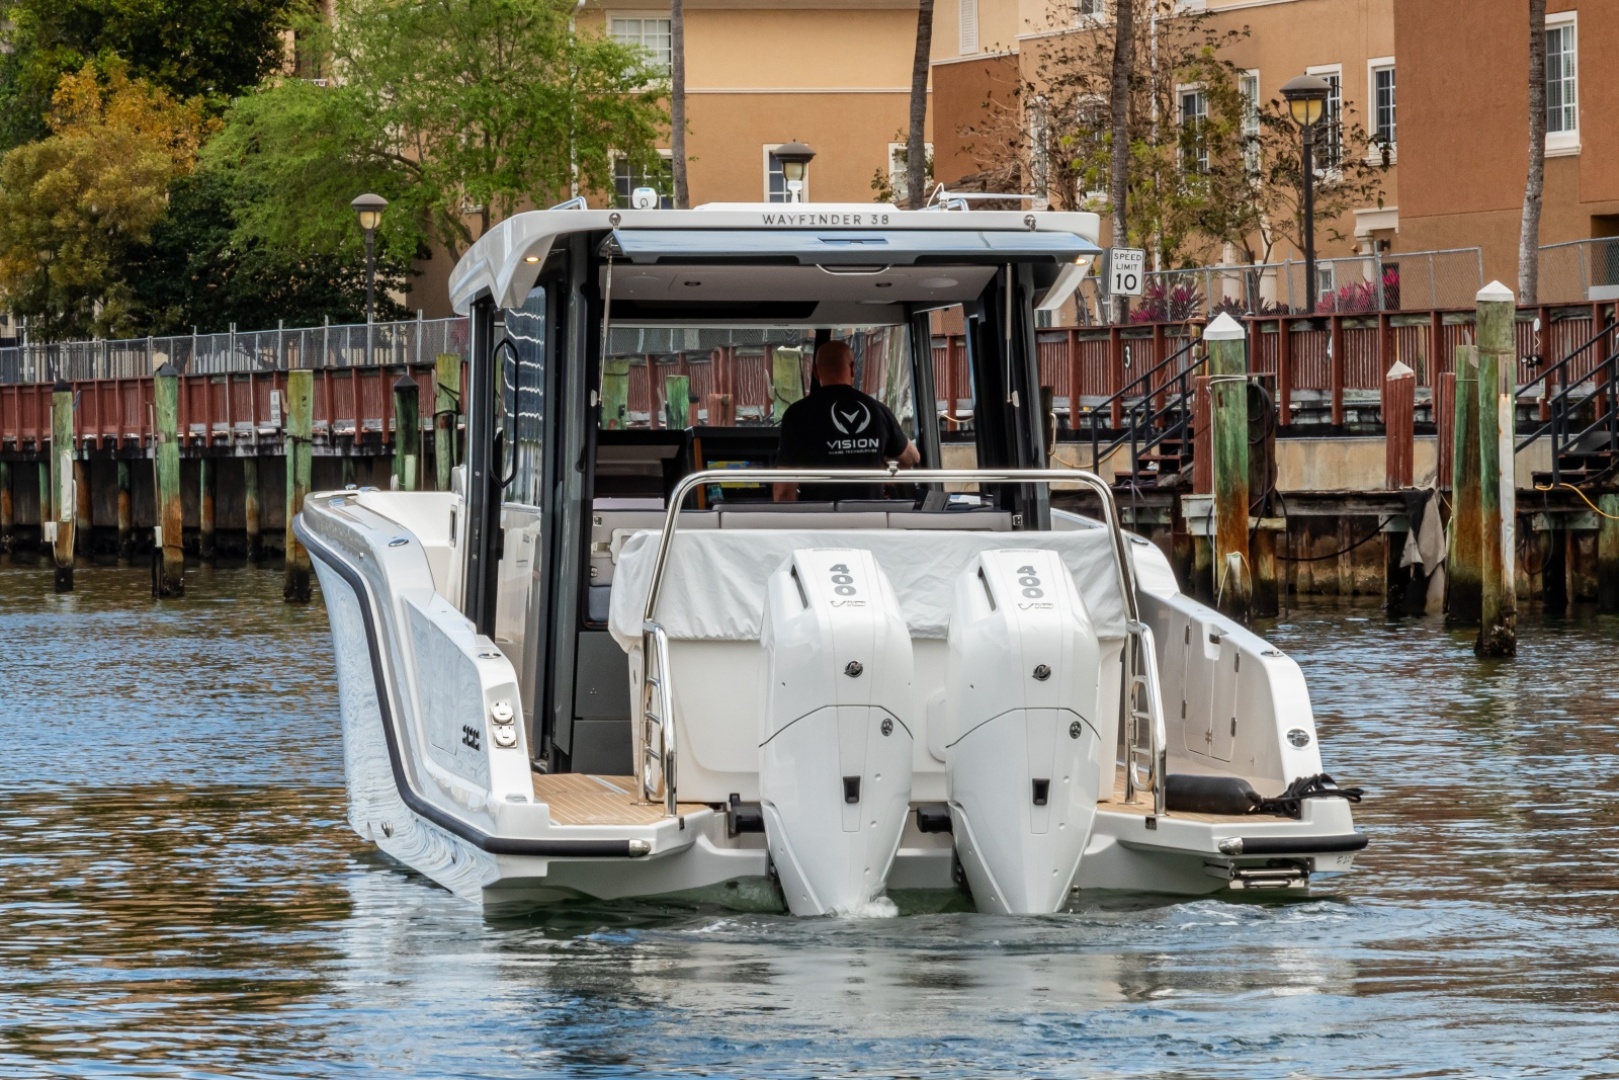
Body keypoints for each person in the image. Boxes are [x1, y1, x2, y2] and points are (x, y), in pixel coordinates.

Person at [773, 339, 920, 502]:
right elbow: (912, 458)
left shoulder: (798, 415)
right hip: (871, 515)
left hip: (820, 516)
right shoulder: (877, 410)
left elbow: (784, 491)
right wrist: (884, 469)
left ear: (815, 371)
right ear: (852, 368)